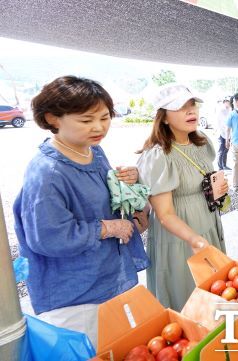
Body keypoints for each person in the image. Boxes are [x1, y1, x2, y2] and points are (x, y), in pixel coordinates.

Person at [13, 76, 148, 347]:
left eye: (105, 117)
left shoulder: (94, 151)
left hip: (107, 275)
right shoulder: (47, 173)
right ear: (53, 118)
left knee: (117, 348)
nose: (99, 127)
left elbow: (104, 195)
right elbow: (48, 236)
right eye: (86, 120)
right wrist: (107, 227)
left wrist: (128, 181)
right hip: (75, 293)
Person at [137, 83, 229, 311]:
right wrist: (195, 240)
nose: (191, 111)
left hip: (208, 224)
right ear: (164, 117)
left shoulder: (201, 143)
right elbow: (165, 214)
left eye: (192, 105)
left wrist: (219, 187)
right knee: (187, 296)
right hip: (181, 237)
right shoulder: (158, 155)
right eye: (180, 107)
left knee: (214, 291)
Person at [215, 97, 232, 171]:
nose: (228, 103)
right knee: (221, 150)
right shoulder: (221, 110)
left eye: (229, 101)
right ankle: (220, 166)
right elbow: (223, 123)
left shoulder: (229, 110)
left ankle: (224, 165)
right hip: (222, 133)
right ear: (224, 102)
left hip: (227, 133)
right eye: (227, 101)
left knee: (226, 149)